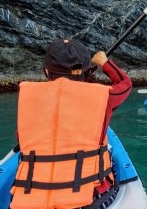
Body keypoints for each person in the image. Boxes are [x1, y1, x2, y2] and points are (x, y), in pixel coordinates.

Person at [10, 39, 132, 209]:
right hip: (91, 200)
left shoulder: (30, 98)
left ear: (46, 71)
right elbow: (125, 85)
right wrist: (105, 63)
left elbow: (21, 137)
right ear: (85, 70)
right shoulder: (103, 97)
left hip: (31, 201)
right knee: (109, 155)